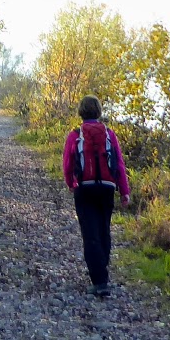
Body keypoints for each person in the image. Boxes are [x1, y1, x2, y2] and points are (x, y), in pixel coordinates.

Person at [62, 95, 131, 296]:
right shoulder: (109, 134)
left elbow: (68, 163)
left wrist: (71, 183)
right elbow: (119, 163)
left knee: (90, 233)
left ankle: (99, 280)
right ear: (99, 112)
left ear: (81, 112)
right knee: (103, 230)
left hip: (84, 188)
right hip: (107, 188)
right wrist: (124, 191)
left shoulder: (75, 135)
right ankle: (102, 271)